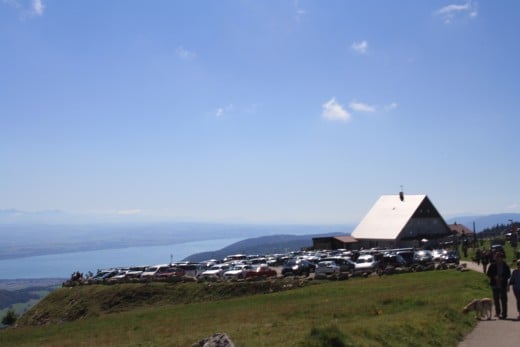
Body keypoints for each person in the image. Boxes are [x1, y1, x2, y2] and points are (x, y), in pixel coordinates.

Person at [486, 252, 511, 319]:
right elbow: (488, 274)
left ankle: (504, 314)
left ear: (501, 258)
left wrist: (503, 277)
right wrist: (494, 276)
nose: (497, 258)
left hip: (503, 285)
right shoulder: (492, 265)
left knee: (504, 300)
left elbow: (509, 275)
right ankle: (498, 313)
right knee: (496, 300)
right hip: (495, 285)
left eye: (498, 257)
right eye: (496, 257)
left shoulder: (506, 266)